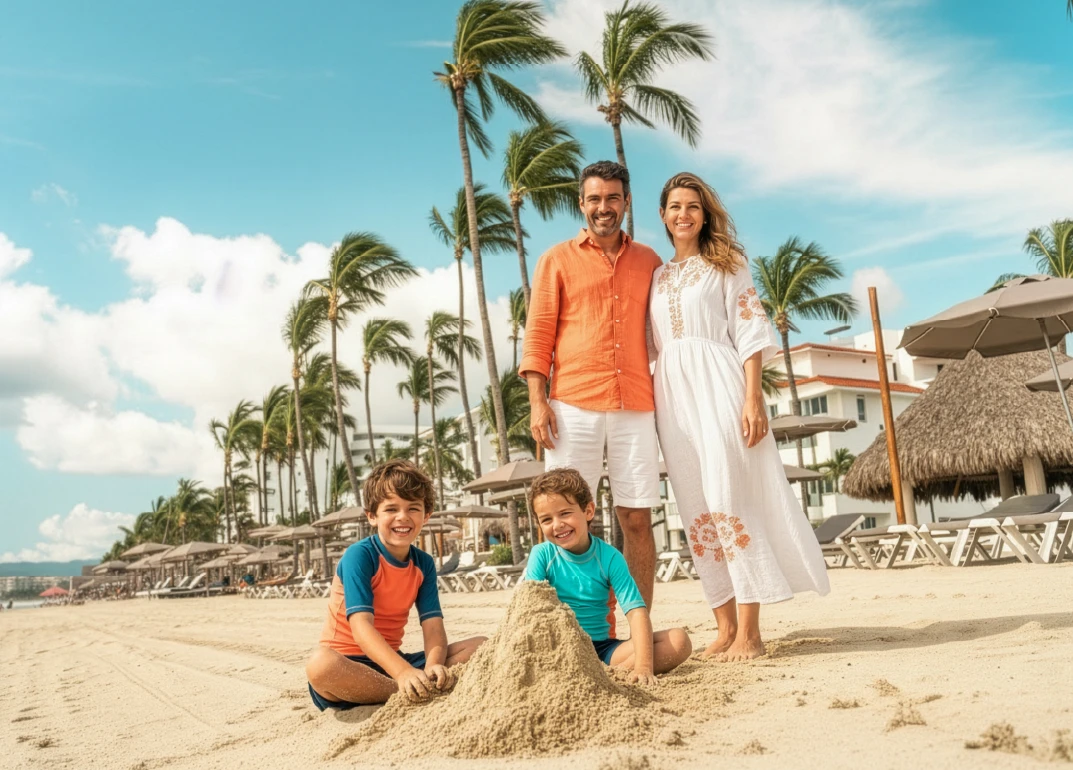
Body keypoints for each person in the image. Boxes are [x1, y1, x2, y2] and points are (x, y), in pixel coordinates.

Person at [649, 172, 831, 662]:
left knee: (732, 498)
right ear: (663, 216)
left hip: (720, 384)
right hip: (672, 398)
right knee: (695, 508)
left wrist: (753, 400)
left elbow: (750, 333)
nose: (683, 214)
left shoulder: (726, 264)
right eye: (674, 207)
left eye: (692, 206)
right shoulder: (658, 277)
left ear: (705, 214)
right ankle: (724, 627)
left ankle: (751, 631)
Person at [521, 160, 663, 607]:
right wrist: (537, 402)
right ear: (582, 203)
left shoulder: (650, 261)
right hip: (572, 406)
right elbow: (539, 332)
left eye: (613, 198)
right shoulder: (556, 260)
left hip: (636, 404)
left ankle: (638, 627)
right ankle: (571, 628)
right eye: (595, 198)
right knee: (564, 519)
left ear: (626, 201)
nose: (605, 207)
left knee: (636, 517)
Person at [305, 460, 485, 708]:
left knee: (480, 645)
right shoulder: (360, 555)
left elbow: (433, 628)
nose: (403, 517)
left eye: (413, 508)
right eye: (391, 509)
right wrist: (402, 674)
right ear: (372, 516)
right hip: (349, 664)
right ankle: (402, 690)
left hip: (390, 661)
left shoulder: (423, 563)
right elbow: (361, 628)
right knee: (320, 665)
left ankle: (418, 684)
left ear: (426, 516)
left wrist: (433, 666)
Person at [523, 468, 692, 682]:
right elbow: (530, 609)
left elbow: (636, 612)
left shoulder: (610, 558)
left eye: (565, 513)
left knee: (678, 641)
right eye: (546, 519)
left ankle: (601, 675)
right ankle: (595, 676)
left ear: (588, 511)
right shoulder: (542, 555)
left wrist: (643, 666)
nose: (557, 524)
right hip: (558, 647)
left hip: (603, 651)